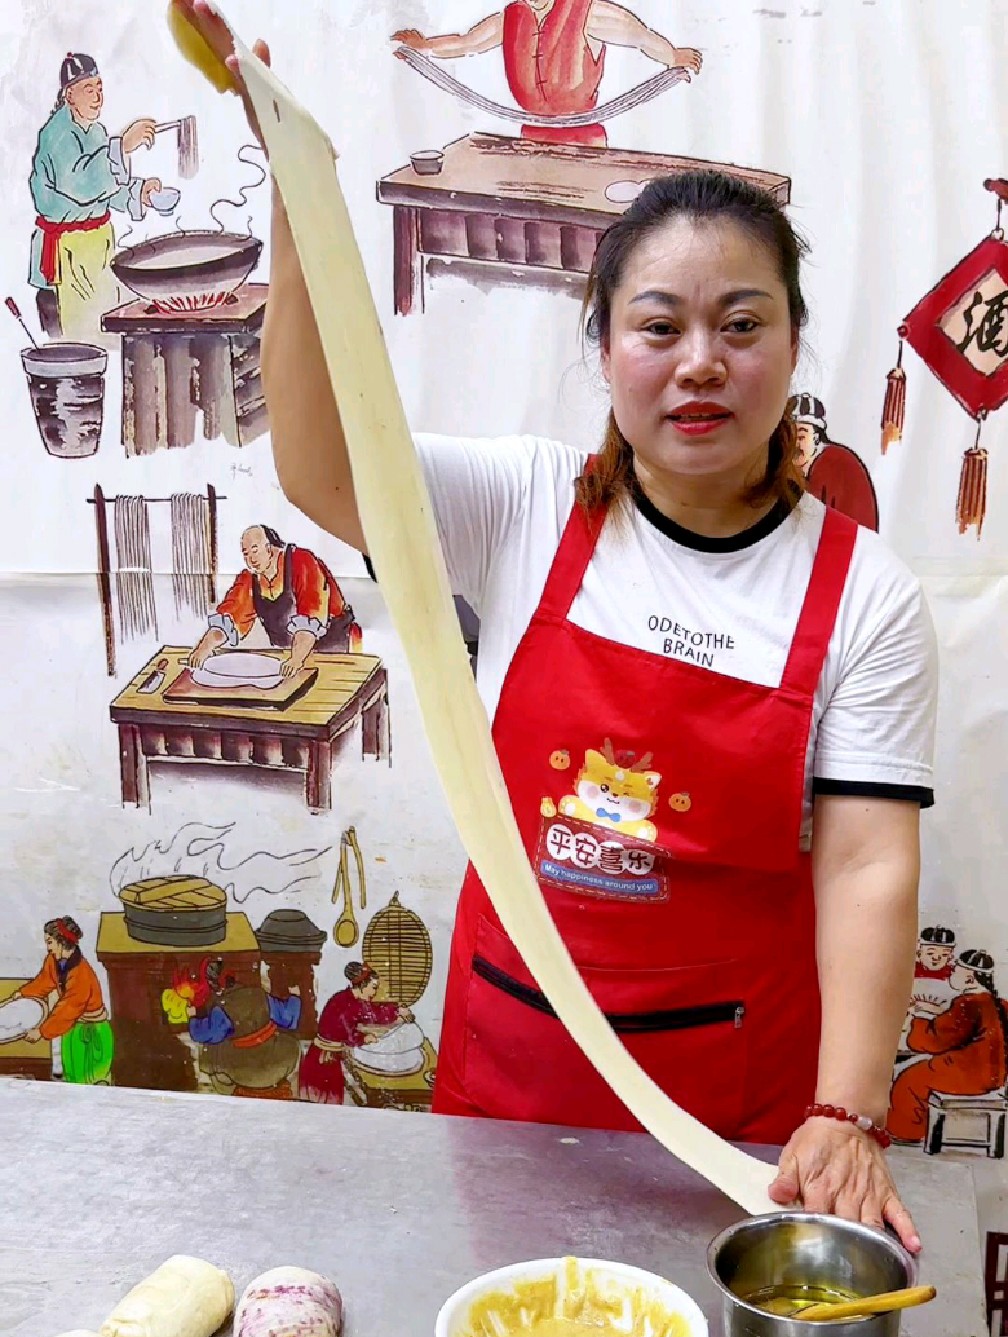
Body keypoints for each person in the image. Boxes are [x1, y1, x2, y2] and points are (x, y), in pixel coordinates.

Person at [176, 5, 938, 1249]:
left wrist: (845, 1108)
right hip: (510, 1088)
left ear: (794, 344)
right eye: (660, 326)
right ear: (604, 349)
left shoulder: (864, 593)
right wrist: (299, 209)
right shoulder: (523, 504)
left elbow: (863, 865)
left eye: (741, 325)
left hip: (732, 1120)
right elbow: (320, 465)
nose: (700, 362)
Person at [391, 3, 702, 148]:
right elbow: (466, 42)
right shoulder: (509, 17)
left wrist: (673, 57)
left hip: (584, 144)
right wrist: (424, 47)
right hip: (531, 140)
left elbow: (641, 37)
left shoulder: (589, 12)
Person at [29, 52, 165, 342]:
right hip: (67, 253)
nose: (98, 97)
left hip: (97, 247)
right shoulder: (57, 135)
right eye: (89, 89)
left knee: (110, 326)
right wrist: (124, 146)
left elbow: (105, 191)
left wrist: (139, 192)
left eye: (100, 88)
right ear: (69, 95)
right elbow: (81, 185)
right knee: (82, 341)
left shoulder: (96, 132)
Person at [187, 524, 362, 680]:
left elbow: (312, 614)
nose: (250, 559)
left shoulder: (302, 561)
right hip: (287, 657)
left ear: (269, 548)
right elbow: (230, 617)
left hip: (334, 651)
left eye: (254, 550)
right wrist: (204, 648)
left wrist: (296, 659)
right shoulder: (250, 578)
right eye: (246, 554)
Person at [888, 950, 1008, 1144]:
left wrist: (918, 1018)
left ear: (969, 978)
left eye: (955, 970)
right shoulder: (1001, 1004)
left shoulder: (968, 1004)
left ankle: (905, 1133)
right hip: (995, 1075)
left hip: (968, 1073)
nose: (951, 973)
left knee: (910, 1079)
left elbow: (935, 1041)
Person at [1, 917, 113, 1083]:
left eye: (50, 942)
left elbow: (69, 1008)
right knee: (72, 1076)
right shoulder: (53, 961)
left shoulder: (81, 973)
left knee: (90, 1080)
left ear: (62, 941)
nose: (48, 948)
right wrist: (20, 995)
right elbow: (44, 981)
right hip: (71, 1029)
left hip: (91, 1033)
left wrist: (41, 1031)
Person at [299, 963, 413, 1105]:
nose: (374, 992)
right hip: (323, 1060)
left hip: (327, 1056)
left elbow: (374, 1011)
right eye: (373, 987)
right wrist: (365, 1038)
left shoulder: (349, 998)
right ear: (362, 985)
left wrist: (397, 1009)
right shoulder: (347, 1004)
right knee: (324, 1108)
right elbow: (352, 1036)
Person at [190, 975, 302, 1099]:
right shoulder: (261, 996)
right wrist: (294, 998)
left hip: (243, 1072)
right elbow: (289, 1018)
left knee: (212, 1051)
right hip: (276, 1062)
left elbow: (206, 1034)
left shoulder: (223, 1007)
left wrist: (195, 1018)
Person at [793, 393, 879, 532]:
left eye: (801, 436)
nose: (794, 444)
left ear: (816, 438)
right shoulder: (802, 465)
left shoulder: (832, 463)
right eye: (788, 436)